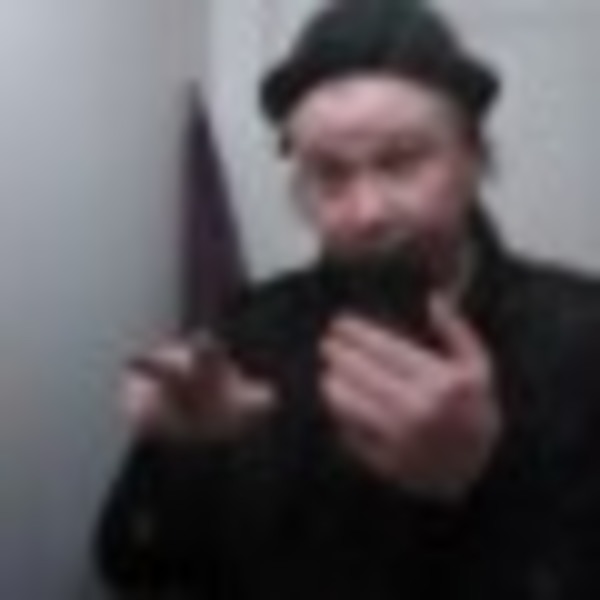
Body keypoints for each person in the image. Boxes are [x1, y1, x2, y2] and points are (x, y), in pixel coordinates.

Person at [94, 1, 600, 598]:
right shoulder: (249, 331)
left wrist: (478, 484)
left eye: (402, 161)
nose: (367, 213)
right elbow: (132, 564)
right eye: (330, 174)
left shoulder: (584, 337)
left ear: (474, 159)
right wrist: (183, 454)